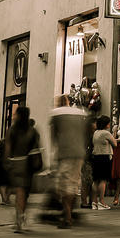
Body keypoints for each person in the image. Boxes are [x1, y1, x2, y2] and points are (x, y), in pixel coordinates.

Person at [49, 94, 87, 229]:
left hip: (65, 154)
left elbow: (54, 137)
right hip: (79, 153)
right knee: (73, 184)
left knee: (64, 186)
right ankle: (69, 213)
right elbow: (86, 132)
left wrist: (53, 157)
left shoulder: (56, 114)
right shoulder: (79, 113)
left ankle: (67, 218)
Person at [4, 106, 40, 233]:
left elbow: (7, 146)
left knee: (19, 191)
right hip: (28, 164)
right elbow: (37, 149)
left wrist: (6, 160)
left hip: (16, 163)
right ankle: (21, 216)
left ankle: (19, 218)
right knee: (24, 192)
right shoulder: (32, 131)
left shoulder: (12, 130)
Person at [90, 115, 116, 210]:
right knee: (103, 180)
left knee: (95, 180)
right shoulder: (106, 133)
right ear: (106, 124)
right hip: (105, 157)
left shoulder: (96, 133)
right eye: (109, 123)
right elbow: (115, 144)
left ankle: (94, 202)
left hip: (96, 157)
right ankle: (101, 202)